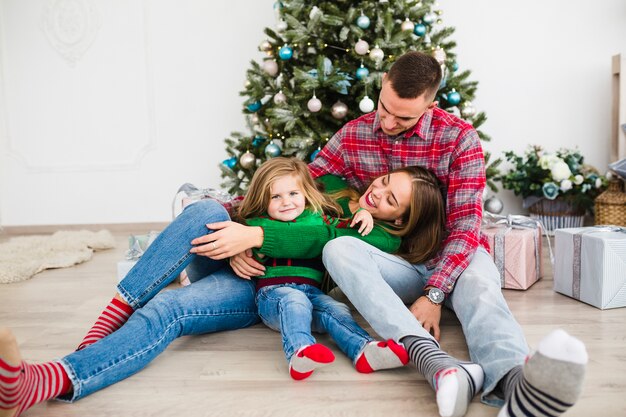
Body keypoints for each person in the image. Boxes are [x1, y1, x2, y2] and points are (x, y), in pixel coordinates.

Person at [229, 51, 589, 417]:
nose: (387, 121)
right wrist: (243, 225)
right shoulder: (354, 134)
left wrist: (434, 294)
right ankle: (438, 366)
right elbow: (298, 184)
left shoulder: (459, 139)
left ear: (431, 104)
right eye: (385, 108)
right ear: (383, 82)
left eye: (403, 116)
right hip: (390, 262)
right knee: (338, 249)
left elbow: (466, 226)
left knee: (482, 286)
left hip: (452, 257)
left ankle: (516, 386)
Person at [0, 157, 447, 415]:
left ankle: (45, 381)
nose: (378, 193)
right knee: (204, 210)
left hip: (265, 290)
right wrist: (236, 237)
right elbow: (267, 197)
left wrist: (255, 237)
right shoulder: (332, 184)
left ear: (402, 219)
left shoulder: (377, 236)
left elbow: (322, 240)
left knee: (168, 311)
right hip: (238, 263)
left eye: (392, 200)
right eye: (385, 182)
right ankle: (103, 328)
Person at [236, 157, 448, 380]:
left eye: (391, 200)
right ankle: (300, 350)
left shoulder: (325, 219)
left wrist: (363, 214)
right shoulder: (261, 221)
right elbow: (245, 226)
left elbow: (336, 232)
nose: (287, 202)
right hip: (274, 294)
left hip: (312, 292)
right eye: (276, 197)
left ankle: (364, 350)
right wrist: (240, 246)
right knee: (294, 301)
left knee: (337, 310)